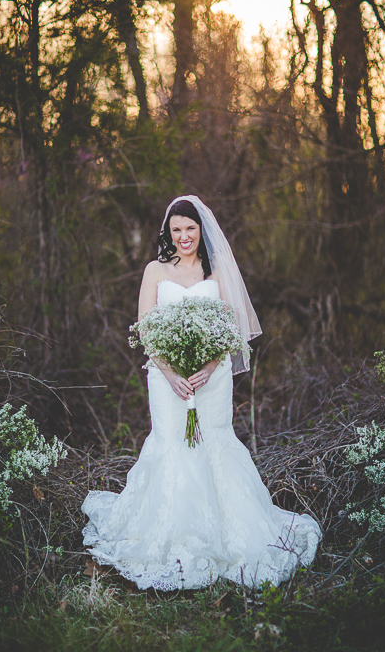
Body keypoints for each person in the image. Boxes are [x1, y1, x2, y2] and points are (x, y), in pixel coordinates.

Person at [82, 195, 321, 590]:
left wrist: (209, 367)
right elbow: (145, 330)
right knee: (171, 443)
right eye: (176, 230)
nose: (183, 236)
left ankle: (228, 535)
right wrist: (172, 373)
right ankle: (173, 535)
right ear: (168, 232)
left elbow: (233, 329)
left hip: (213, 377)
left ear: (201, 230)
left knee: (214, 441)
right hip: (167, 378)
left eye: (190, 228)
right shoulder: (155, 271)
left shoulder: (217, 272)